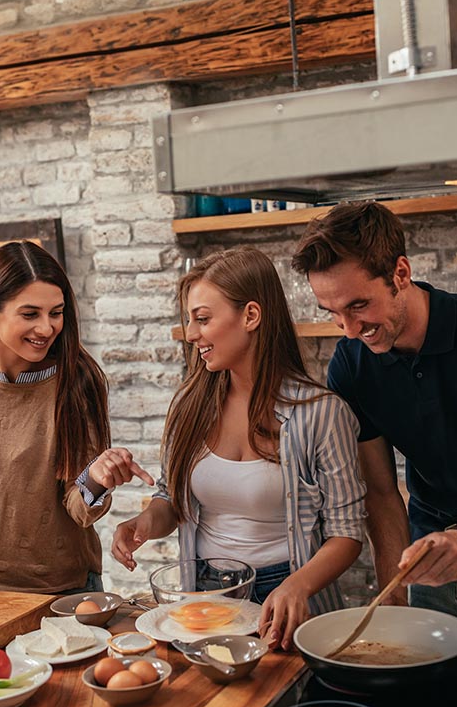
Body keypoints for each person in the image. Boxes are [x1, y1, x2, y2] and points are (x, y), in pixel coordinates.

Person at [112, 247, 366, 650]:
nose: (192, 334)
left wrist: (296, 587)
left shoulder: (321, 413)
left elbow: (347, 534)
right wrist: (144, 523)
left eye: (203, 319)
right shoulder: (189, 405)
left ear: (250, 316)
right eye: (190, 320)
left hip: (286, 596)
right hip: (206, 595)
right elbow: (170, 498)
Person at [0, 240, 154, 594]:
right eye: (30, 314)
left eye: (56, 312)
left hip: (60, 588)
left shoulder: (78, 381)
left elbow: (78, 509)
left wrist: (96, 479)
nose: (47, 328)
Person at [292, 200, 457, 621]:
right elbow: (380, 490)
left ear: (401, 274)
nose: (350, 330)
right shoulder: (352, 365)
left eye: (358, 305)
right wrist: (393, 594)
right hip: (429, 556)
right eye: (332, 313)